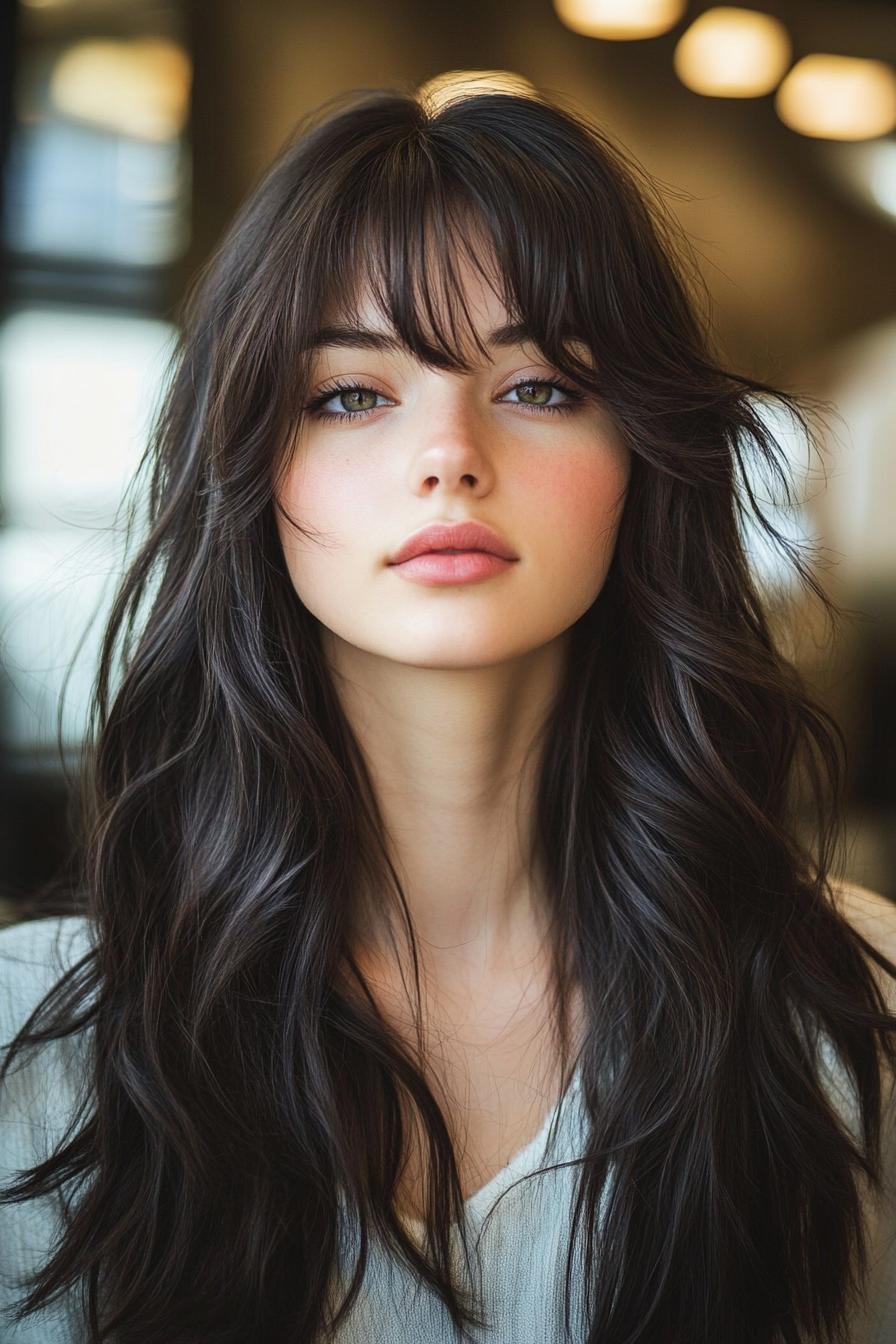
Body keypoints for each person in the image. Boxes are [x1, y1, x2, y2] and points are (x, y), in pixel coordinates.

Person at [2, 81, 895, 1344]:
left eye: (537, 386)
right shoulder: (33, 1047)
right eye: (351, 395)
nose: (448, 454)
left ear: (641, 460)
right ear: (254, 470)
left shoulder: (851, 1009)